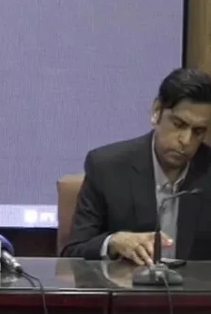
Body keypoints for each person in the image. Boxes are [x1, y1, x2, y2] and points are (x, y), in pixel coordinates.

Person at [62, 68, 211, 264]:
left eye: (198, 131)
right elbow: (73, 253)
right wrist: (113, 242)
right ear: (156, 112)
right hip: (128, 282)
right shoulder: (106, 167)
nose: (186, 140)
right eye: (179, 124)